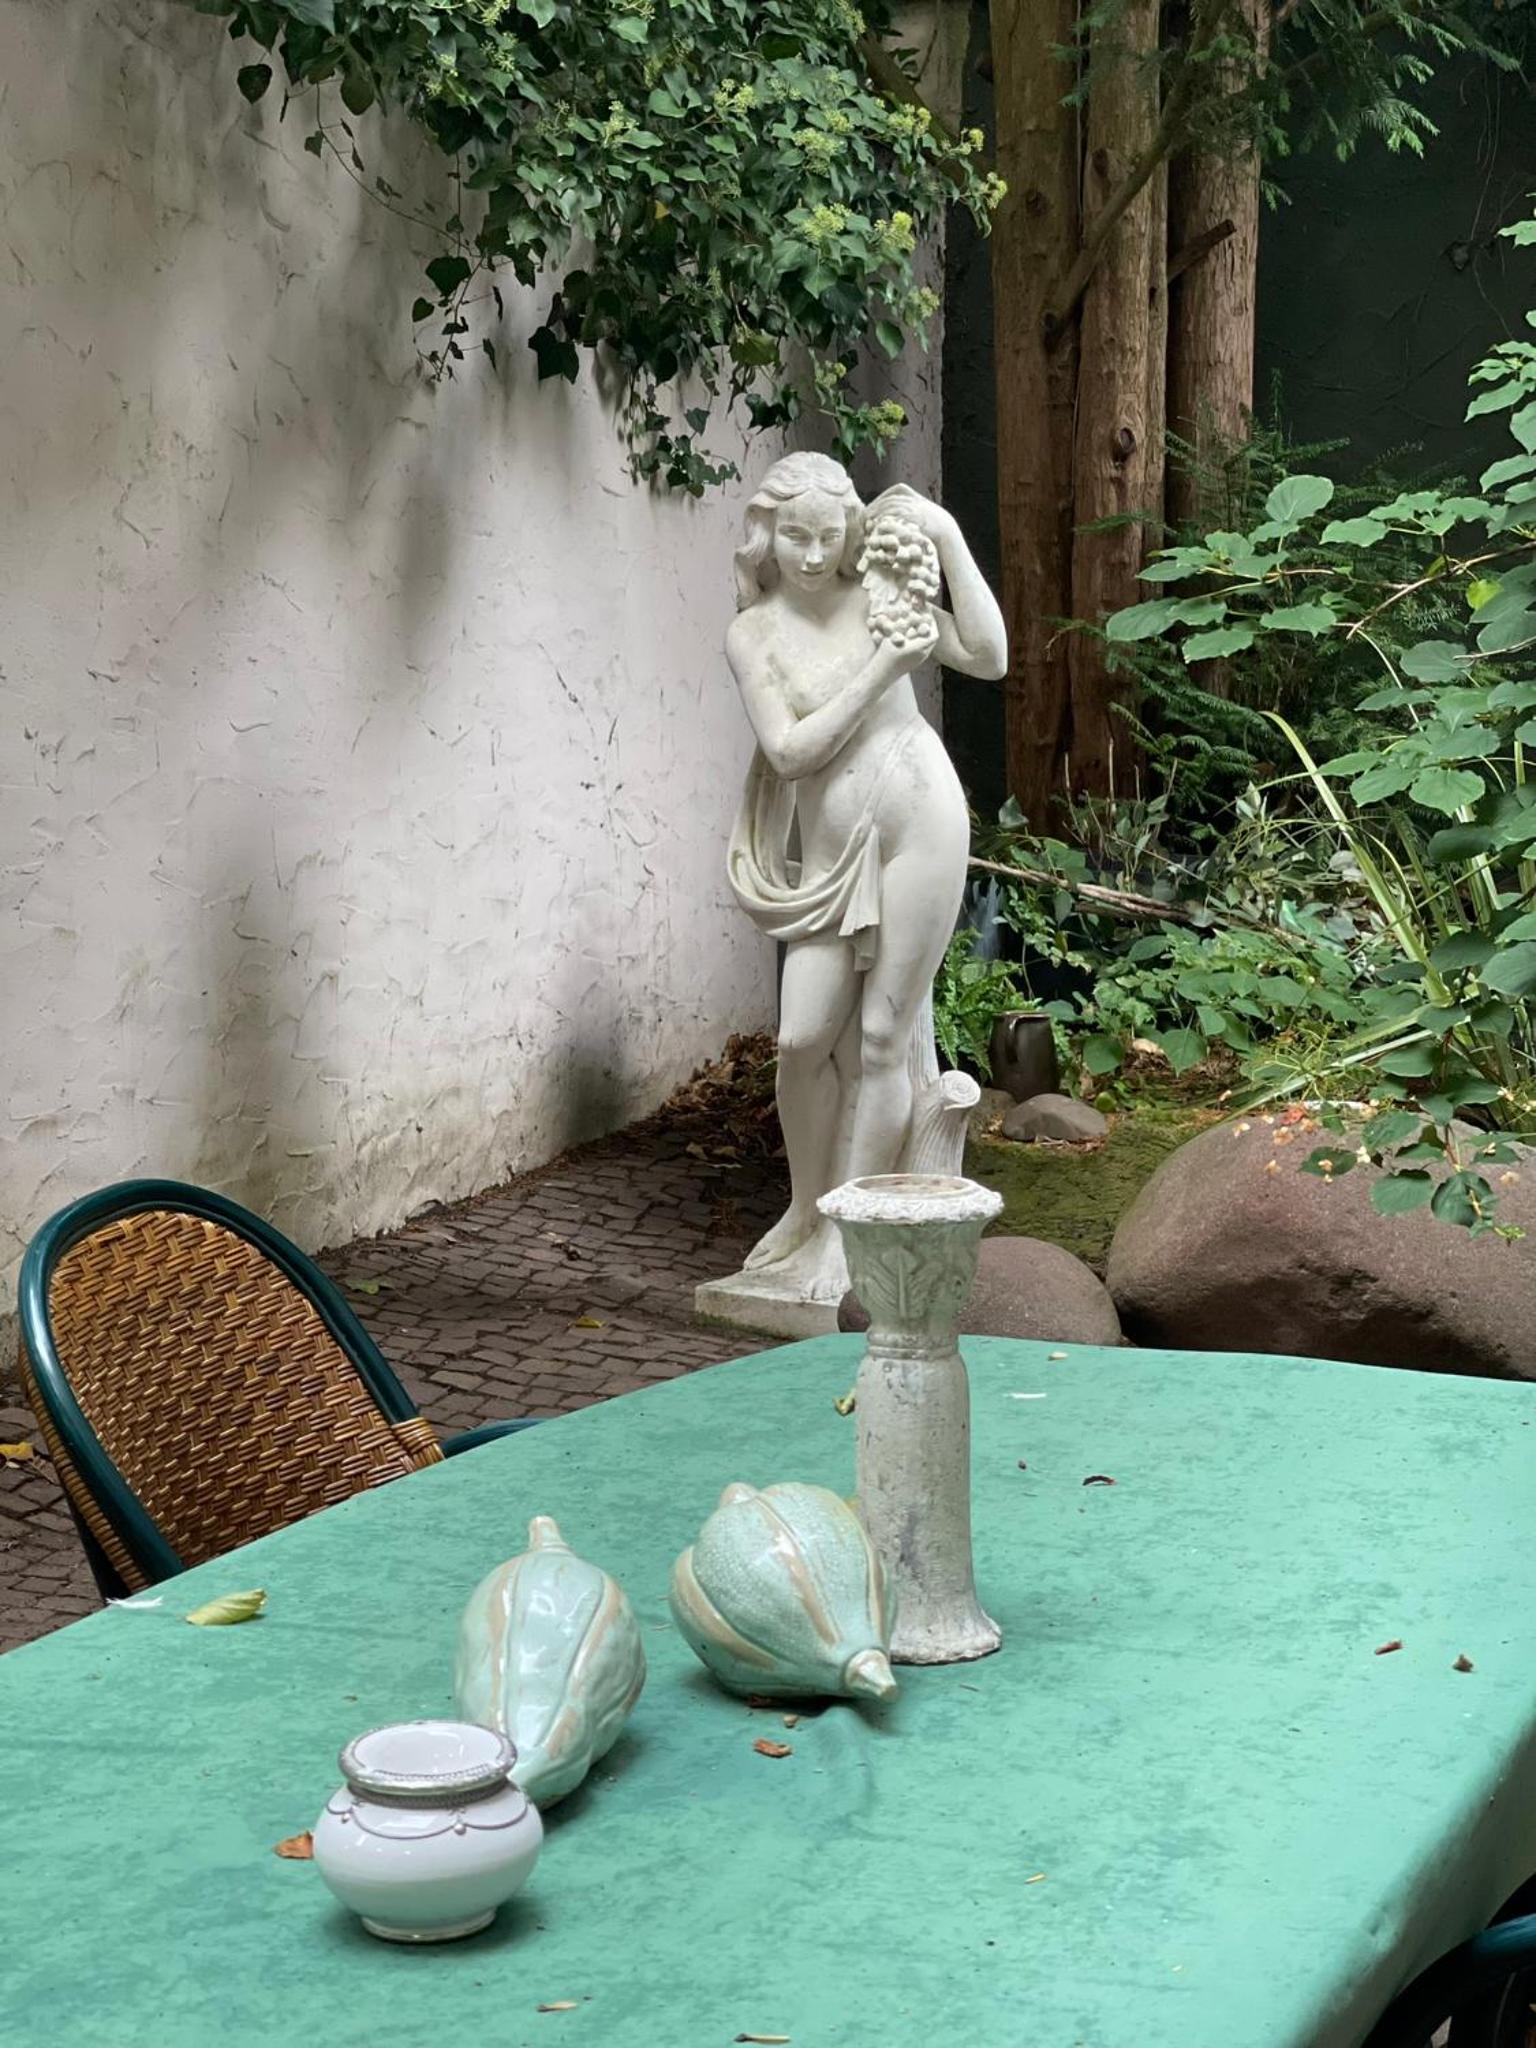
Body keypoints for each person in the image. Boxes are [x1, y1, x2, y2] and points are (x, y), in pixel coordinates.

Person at [724, 452, 1007, 1298]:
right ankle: (804, 1206)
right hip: (829, 853)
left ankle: (849, 1236)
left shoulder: (878, 591)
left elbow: (988, 654)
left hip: (921, 821)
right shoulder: (755, 633)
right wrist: (883, 669)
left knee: (883, 1039)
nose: (814, 555)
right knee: (801, 1040)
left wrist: (945, 535)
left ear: (849, 530)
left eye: (827, 535)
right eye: (795, 537)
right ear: (767, 536)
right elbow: (789, 751)